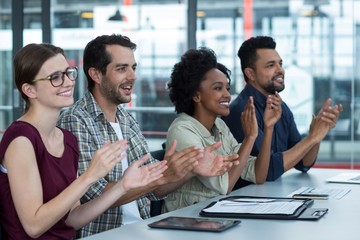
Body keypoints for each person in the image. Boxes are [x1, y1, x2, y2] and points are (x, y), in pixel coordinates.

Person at [57, 34, 237, 238]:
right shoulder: (76, 119)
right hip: (106, 233)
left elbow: (156, 190)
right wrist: (159, 178)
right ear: (96, 75)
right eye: (121, 68)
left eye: (133, 67)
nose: (132, 76)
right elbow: (94, 194)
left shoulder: (127, 120)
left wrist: (190, 170)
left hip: (141, 229)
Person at [0, 43, 168, 239]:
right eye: (55, 77)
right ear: (30, 90)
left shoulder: (66, 139)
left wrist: (123, 186)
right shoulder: (21, 139)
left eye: (68, 73)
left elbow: (72, 219)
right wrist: (89, 176)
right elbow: (33, 226)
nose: (68, 82)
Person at [163, 47, 282, 212]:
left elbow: (259, 175)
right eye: (218, 88)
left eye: (227, 88)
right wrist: (249, 138)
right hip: (187, 222)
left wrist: (268, 128)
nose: (227, 95)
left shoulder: (220, 126)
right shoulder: (182, 130)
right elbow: (224, 186)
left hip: (213, 216)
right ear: (196, 95)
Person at [223, 35, 343, 182]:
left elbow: (303, 163)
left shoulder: (281, 107)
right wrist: (311, 138)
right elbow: (268, 171)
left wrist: (317, 136)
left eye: (280, 64)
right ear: (251, 74)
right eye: (271, 65)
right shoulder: (242, 112)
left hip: (272, 197)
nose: (281, 70)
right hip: (246, 199)